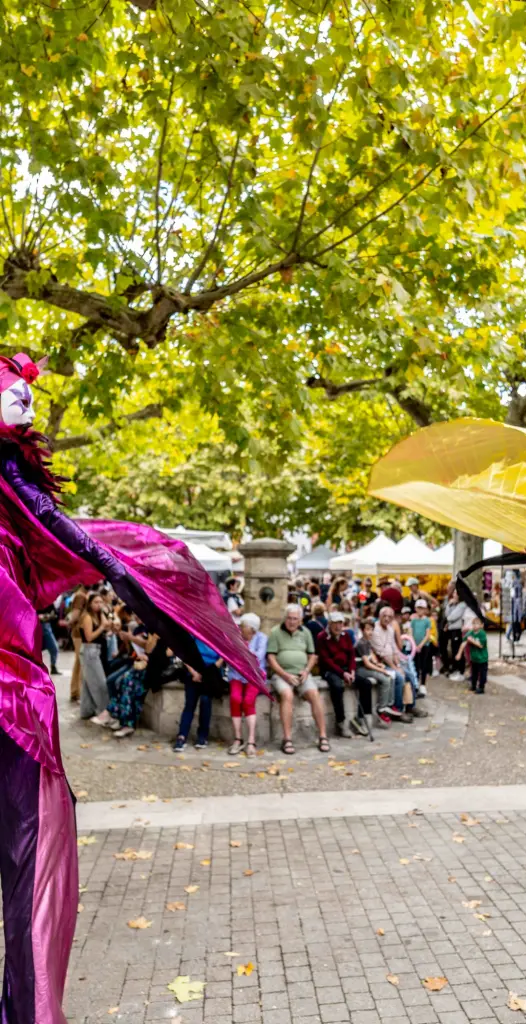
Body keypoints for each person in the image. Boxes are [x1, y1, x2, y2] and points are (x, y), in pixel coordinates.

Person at [0, 350, 268, 1024]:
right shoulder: (7, 476)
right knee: (32, 864)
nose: (26, 397)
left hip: (14, 695)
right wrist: (161, 609)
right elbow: (83, 545)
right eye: (13, 387)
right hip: (11, 705)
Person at [267, 604, 330, 755]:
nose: (291, 621)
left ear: (300, 620)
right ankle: (287, 739)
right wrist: (285, 675)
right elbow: (271, 658)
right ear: (285, 618)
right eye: (289, 618)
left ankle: (323, 736)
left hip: (302, 674)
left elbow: (312, 655)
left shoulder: (306, 632)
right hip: (282, 674)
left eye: (295, 619)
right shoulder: (276, 632)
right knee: (287, 695)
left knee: (315, 694)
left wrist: (307, 671)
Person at [228, 612, 268, 756]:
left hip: (255, 675)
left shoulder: (262, 638)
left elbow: (257, 657)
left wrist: (242, 651)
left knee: (248, 701)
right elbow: (231, 655)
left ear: (251, 629)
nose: (239, 627)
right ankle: (238, 739)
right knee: (235, 699)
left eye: (242, 626)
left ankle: (251, 740)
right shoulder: (235, 637)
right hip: (236, 674)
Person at [174, 641, 225, 751]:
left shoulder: (216, 637)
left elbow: (223, 656)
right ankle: (182, 735)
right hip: (193, 673)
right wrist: (194, 673)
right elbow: (184, 655)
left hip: (211, 674)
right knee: (190, 704)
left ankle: (202, 736)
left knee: (205, 701)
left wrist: (207, 674)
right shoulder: (192, 636)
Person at [371, 606, 413, 722]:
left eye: (390, 617)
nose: (387, 619)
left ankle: (410, 706)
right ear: (380, 617)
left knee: (410, 675)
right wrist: (396, 668)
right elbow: (382, 654)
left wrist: (398, 665)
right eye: (384, 616)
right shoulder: (376, 630)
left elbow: (394, 649)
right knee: (398, 677)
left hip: (392, 662)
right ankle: (398, 710)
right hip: (382, 663)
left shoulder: (390, 629)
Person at [355, 617, 399, 724]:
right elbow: (366, 663)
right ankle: (381, 708)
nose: (370, 632)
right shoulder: (361, 643)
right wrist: (381, 670)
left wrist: (379, 665)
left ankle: (389, 704)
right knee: (385, 679)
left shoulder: (367, 642)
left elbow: (371, 659)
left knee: (391, 676)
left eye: (371, 629)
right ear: (362, 630)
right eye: (367, 629)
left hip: (366, 667)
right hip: (360, 669)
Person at [80, 592, 113, 725]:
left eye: (100, 602)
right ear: (90, 604)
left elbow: (107, 627)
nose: (99, 605)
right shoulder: (87, 617)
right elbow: (89, 637)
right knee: (100, 683)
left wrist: (106, 623)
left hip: (96, 651)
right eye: (96, 602)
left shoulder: (98, 615)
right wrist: (102, 627)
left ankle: (86, 710)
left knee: (89, 684)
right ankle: (103, 711)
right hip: (90, 651)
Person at [66, 583, 88, 701]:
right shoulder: (80, 595)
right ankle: (76, 692)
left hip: (79, 633)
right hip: (79, 633)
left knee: (78, 662)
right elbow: (75, 615)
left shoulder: (81, 594)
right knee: (79, 662)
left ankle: (76, 691)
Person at [411, 598, 437, 693]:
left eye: (422, 608)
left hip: (424, 646)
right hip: (415, 646)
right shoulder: (413, 621)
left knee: (424, 665)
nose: (420, 610)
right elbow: (411, 632)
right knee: (416, 665)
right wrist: (414, 644)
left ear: (425, 609)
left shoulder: (427, 621)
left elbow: (427, 634)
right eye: (418, 608)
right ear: (416, 608)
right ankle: (416, 683)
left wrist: (421, 645)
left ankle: (423, 684)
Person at [441, 588, 467, 680]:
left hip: (458, 630)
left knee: (457, 649)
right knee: (453, 649)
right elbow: (447, 614)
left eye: (456, 593)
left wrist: (448, 618)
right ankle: (455, 669)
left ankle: (460, 670)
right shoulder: (454, 604)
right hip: (452, 630)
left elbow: (451, 617)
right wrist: (449, 605)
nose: (454, 595)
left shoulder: (462, 605)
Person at [458, 616, 489, 693]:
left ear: (481, 625)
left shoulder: (482, 634)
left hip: (482, 659)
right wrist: (459, 653)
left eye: (477, 624)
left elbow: (480, 645)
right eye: (474, 624)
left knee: (482, 675)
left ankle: (481, 688)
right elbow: (464, 642)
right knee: (474, 673)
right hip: (474, 658)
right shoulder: (470, 632)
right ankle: (473, 686)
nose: (475, 625)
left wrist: (471, 641)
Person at [38, 604, 60, 675]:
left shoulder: (48, 601)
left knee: (54, 648)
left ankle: (53, 666)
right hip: (36, 626)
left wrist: (50, 616)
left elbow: (56, 614)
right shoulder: (33, 599)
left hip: (46, 625)